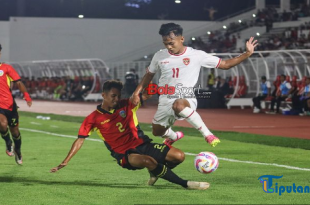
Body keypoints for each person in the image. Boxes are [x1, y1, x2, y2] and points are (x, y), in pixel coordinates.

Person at [50, 80, 209, 190]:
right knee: (148, 161)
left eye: (118, 95)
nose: (117, 99)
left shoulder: (127, 104)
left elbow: (145, 95)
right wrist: (65, 161)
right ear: (103, 95)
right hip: (125, 154)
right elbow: (80, 140)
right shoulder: (93, 118)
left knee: (179, 156)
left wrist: (157, 86)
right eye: (113, 96)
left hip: (144, 144)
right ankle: (185, 184)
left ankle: (155, 171)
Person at [132, 23, 258, 147]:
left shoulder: (196, 55)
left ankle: (208, 134)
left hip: (186, 98)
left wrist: (246, 54)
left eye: (171, 43)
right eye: (165, 43)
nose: (168, 47)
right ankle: (174, 136)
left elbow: (225, 65)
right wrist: (137, 93)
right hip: (164, 99)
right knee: (157, 131)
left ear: (181, 39)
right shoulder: (159, 55)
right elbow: (149, 74)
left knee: (179, 105)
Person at [0, 44, 32, 165]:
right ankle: (8, 143)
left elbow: (18, 83)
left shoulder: (6, 68)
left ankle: (18, 150)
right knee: (2, 124)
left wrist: (27, 96)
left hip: (10, 106)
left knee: (15, 132)